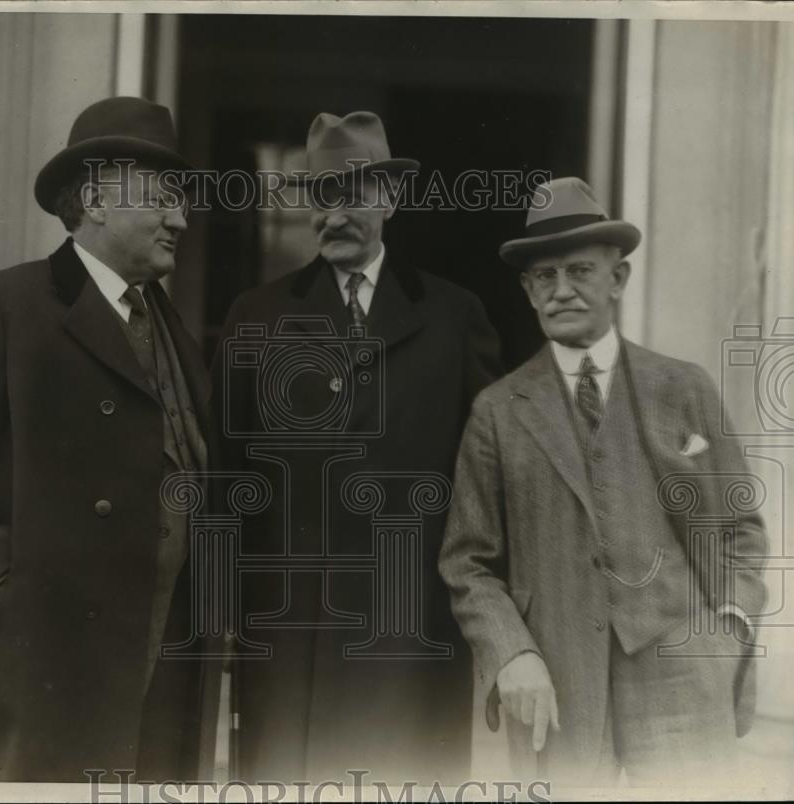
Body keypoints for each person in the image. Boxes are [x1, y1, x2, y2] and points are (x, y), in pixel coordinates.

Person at [0, 97, 212, 782]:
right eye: (162, 199)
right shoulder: (6, 305)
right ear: (96, 198)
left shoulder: (175, 332)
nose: (180, 219)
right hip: (41, 670)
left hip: (161, 674)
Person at [439, 176, 767, 787]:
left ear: (617, 279)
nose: (562, 290)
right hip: (555, 685)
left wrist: (728, 629)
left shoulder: (683, 387)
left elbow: (740, 527)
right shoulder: (499, 409)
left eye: (580, 271)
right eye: (544, 277)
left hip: (683, 678)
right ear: (528, 291)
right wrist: (513, 652)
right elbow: (468, 563)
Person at [213, 111, 501, 784]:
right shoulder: (256, 316)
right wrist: (223, 617)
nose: (333, 214)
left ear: (390, 200)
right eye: (320, 196)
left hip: (411, 633)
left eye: (353, 195)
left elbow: (487, 486)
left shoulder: (454, 317)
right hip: (287, 639)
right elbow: (226, 480)